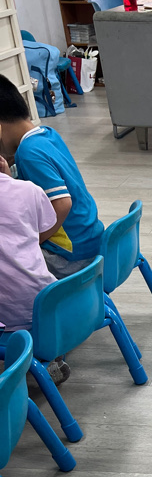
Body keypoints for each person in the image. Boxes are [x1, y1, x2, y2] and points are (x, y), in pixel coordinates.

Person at [0, 73, 103, 278]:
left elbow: (63, 204)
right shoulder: (47, 134)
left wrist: (35, 240)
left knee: (8, 259)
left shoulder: (28, 152)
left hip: (71, 256)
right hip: (93, 239)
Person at [0, 159, 71, 384]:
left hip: (9, 316)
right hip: (48, 301)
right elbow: (43, 227)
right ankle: (50, 358)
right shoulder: (29, 190)